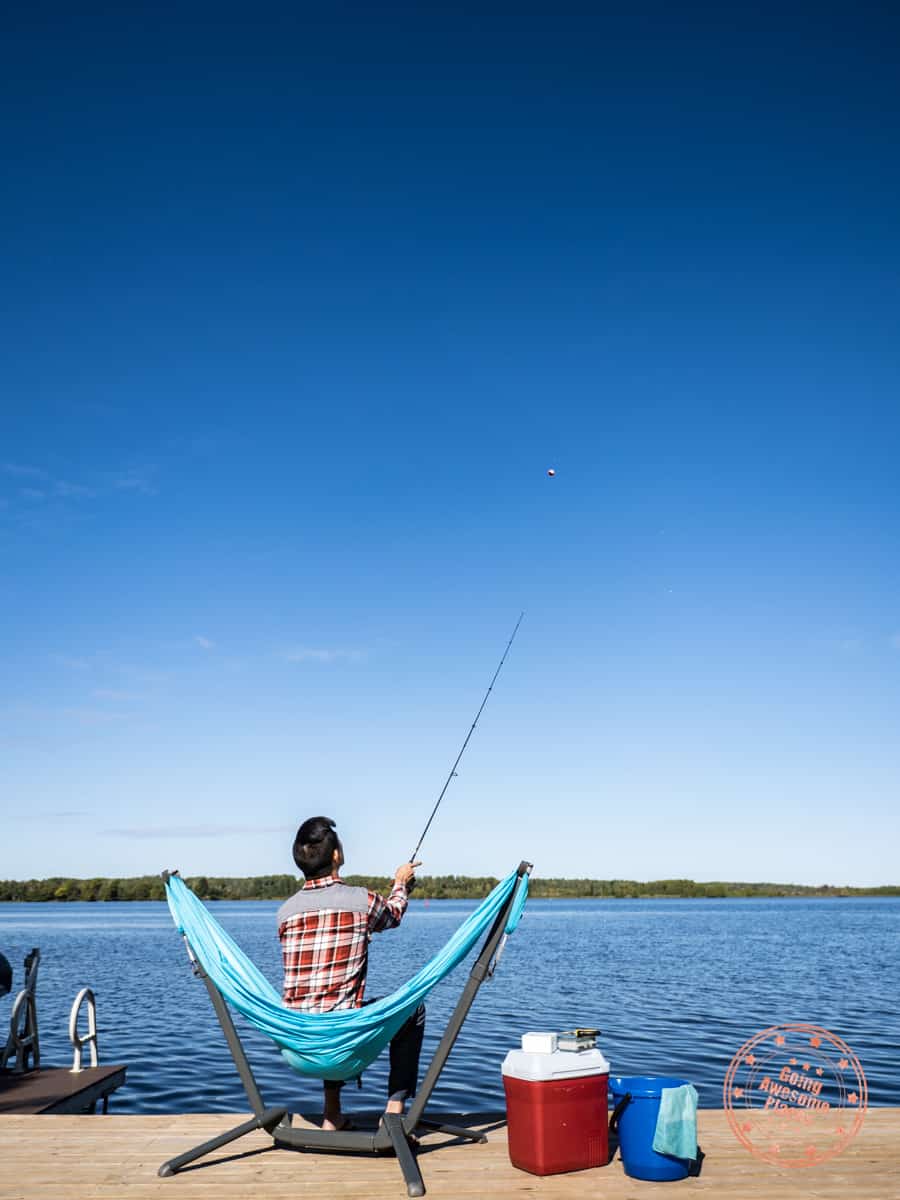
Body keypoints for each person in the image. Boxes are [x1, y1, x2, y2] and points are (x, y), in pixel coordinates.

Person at [277, 815, 424, 1131]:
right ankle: (394, 1113)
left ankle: (332, 1115)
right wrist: (401, 882)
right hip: (342, 1039)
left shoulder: (285, 912)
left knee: (324, 1006)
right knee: (413, 1010)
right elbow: (393, 914)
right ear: (336, 856)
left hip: (297, 1044)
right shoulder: (362, 900)